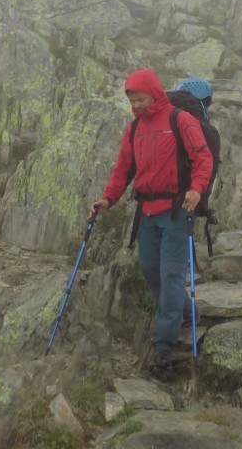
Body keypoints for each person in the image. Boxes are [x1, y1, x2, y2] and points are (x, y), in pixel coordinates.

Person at [90, 69, 214, 369]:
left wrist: (197, 190)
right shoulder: (134, 129)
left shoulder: (180, 120)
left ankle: (163, 346)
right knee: (149, 270)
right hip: (146, 212)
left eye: (141, 99)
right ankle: (187, 311)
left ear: (155, 93)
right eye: (133, 101)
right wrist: (108, 198)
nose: (137, 106)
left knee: (171, 276)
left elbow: (203, 157)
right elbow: (123, 170)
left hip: (175, 211)